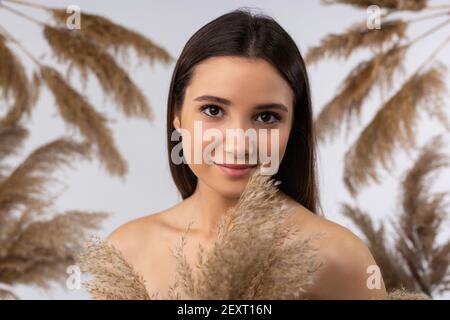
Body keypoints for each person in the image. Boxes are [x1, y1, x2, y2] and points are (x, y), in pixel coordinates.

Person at [107, 8, 388, 299]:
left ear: (293, 126)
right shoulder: (127, 252)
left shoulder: (338, 258)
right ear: (177, 115)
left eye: (266, 117)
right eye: (213, 110)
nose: (239, 144)